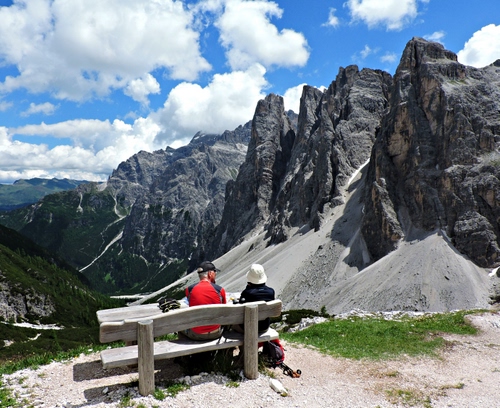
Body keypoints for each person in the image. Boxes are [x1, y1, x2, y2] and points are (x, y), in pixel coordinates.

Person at [182, 261, 227, 340]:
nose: (215, 274)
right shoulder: (220, 290)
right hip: (216, 333)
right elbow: (224, 310)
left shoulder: (189, 290)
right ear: (210, 273)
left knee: (180, 327)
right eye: (215, 272)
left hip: (196, 334)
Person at [237, 264, 275, 332]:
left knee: (232, 325)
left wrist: (248, 288)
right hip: (265, 326)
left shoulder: (247, 293)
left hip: (248, 327)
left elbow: (240, 307)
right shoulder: (271, 292)